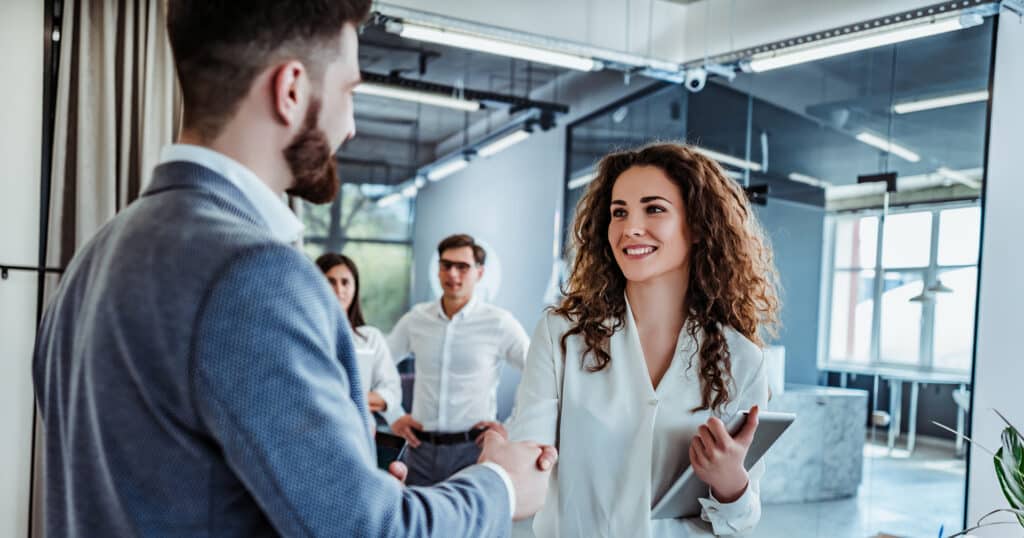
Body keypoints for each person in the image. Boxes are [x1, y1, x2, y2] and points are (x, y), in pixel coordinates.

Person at [32, 2, 556, 536]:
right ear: (291, 90)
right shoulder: (253, 276)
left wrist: (346, 481)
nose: (349, 127)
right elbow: (368, 532)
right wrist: (500, 484)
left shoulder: (91, 260)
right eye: (349, 91)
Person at [509, 143, 781, 537]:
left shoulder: (741, 358)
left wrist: (729, 482)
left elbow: (740, 522)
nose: (630, 227)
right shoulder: (561, 334)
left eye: (654, 209)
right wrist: (498, 476)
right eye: (619, 212)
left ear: (699, 226)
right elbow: (528, 462)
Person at [388, 234, 531, 486]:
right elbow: (380, 366)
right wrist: (393, 415)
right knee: (417, 523)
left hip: (472, 452)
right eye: (446, 265)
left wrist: (512, 425)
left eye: (462, 267)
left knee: (469, 526)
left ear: (480, 273)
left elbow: (538, 372)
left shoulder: (499, 322)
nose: (452, 274)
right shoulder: (416, 319)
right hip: (419, 450)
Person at [316, 253, 404, 428]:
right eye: (330, 282)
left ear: (355, 288)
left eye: (345, 282)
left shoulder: (371, 338)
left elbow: (392, 392)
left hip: (359, 433)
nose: (339, 290)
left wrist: (352, 398)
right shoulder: (305, 336)